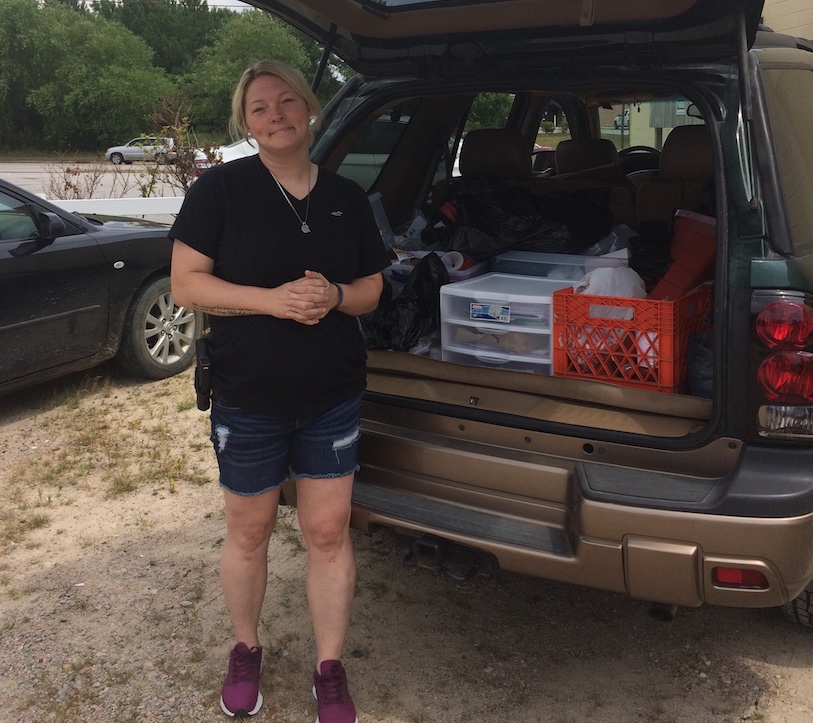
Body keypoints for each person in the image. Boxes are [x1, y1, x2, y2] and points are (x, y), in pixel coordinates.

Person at [169, 59, 390, 722]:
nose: (276, 115)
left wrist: (336, 294)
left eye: (287, 101)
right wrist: (270, 301)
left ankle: (329, 666)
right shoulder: (220, 191)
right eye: (260, 107)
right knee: (250, 529)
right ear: (245, 122)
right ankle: (245, 650)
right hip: (248, 394)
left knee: (326, 532)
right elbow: (186, 285)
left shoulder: (347, 198)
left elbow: (372, 290)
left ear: (310, 110)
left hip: (331, 395)